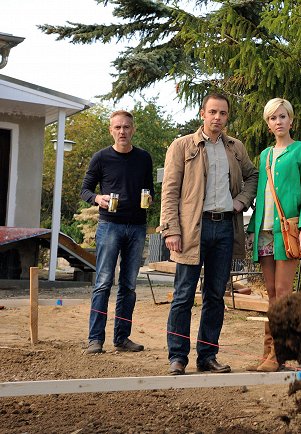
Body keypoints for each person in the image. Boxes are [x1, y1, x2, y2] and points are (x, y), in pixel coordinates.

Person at [159, 92, 258, 375]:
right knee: (183, 295)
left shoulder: (235, 148)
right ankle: (177, 357)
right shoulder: (181, 146)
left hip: (225, 228)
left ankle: (207, 356)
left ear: (227, 117)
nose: (217, 118)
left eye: (223, 113)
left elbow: (253, 176)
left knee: (215, 295)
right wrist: (170, 230)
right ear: (202, 113)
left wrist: (241, 201)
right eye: (212, 112)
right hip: (192, 229)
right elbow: (170, 191)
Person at [245, 98, 301, 372]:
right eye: (273, 118)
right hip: (264, 231)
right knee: (272, 293)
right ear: (268, 124)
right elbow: (263, 195)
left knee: (285, 293)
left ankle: (279, 355)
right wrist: (252, 229)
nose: (279, 122)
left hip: (288, 231)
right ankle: (268, 354)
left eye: (283, 116)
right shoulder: (264, 155)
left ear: (291, 120)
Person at [81, 110, 154, 355]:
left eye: (126, 127)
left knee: (129, 286)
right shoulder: (101, 158)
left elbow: (148, 189)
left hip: (137, 227)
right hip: (109, 225)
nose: (122, 131)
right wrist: (97, 198)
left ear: (133, 129)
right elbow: (85, 190)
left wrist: (149, 199)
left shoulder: (144, 158)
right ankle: (95, 339)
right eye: (118, 127)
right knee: (102, 283)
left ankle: (122, 338)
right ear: (111, 130)